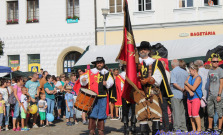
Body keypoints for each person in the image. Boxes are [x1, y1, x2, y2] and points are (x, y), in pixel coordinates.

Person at [135, 41, 173, 134]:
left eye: (145, 49)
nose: (143, 51)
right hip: (139, 93)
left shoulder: (155, 63)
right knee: (141, 115)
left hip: (152, 92)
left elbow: (158, 78)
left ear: (148, 50)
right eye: (141, 49)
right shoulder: (135, 64)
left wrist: (147, 80)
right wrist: (136, 71)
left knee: (155, 114)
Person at [80, 57, 114, 135]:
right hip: (92, 96)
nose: (99, 64)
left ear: (103, 63)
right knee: (92, 113)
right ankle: (92, 130)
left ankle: (100, 130)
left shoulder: (107, 72)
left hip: (103, 96)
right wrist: (83, 80)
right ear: (96, 64)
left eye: (101, 63)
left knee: (102, 113)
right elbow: (82, 78)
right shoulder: (90, 72)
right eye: (98, 63)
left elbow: (111, 82)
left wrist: (107, 84)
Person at [115, 65, 136, 135]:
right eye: (126, 67)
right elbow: (120, 87)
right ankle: (126, 127)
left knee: (134, 111)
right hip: (125, 95)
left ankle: (133, 126)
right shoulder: (120, 76)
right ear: (123, 67)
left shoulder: (134, 74)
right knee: (125, 112)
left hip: (133, 95)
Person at [170, 59, 188, 132]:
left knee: (176, 112)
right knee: (182, 112)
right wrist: (184, 90)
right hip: (184, 94)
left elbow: (174, 83)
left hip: (176, 93)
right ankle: (183, 127)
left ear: (172, 65)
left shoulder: (173, 72)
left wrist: (181, 89)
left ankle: (177, 128)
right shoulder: (185, 72)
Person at [206, 56, 223, 134]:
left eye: (217, 61)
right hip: (211, 95)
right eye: (214, 61)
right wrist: (209, 92)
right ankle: (210, 128)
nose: (216, 63)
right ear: (211, 62)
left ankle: (219, 128)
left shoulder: (220, 70)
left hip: (218, 94)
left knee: (219, 112)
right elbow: (209, 83)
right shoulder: (210, 71)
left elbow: (221, 83)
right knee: (210, 112)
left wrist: (219, 94)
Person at [184, 64, 202, 132]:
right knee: (190, 115)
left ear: (194, 70)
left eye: (190, 71)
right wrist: (189, 91)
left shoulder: (198, 78)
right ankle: (193, 129)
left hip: (196, 97)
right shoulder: (189, 76)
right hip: (189, 97)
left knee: (195, 114)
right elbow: (185, 85)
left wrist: (187, 84)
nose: (189, 72)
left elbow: (193, 88)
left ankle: (199, 129)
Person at [194, 60, 209, 130]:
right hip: (208, 94)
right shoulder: (208, 71)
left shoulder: (197, 73)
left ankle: (202, 127)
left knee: (200, 113)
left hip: (200, 95)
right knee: (209, 112)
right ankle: (209, 126)